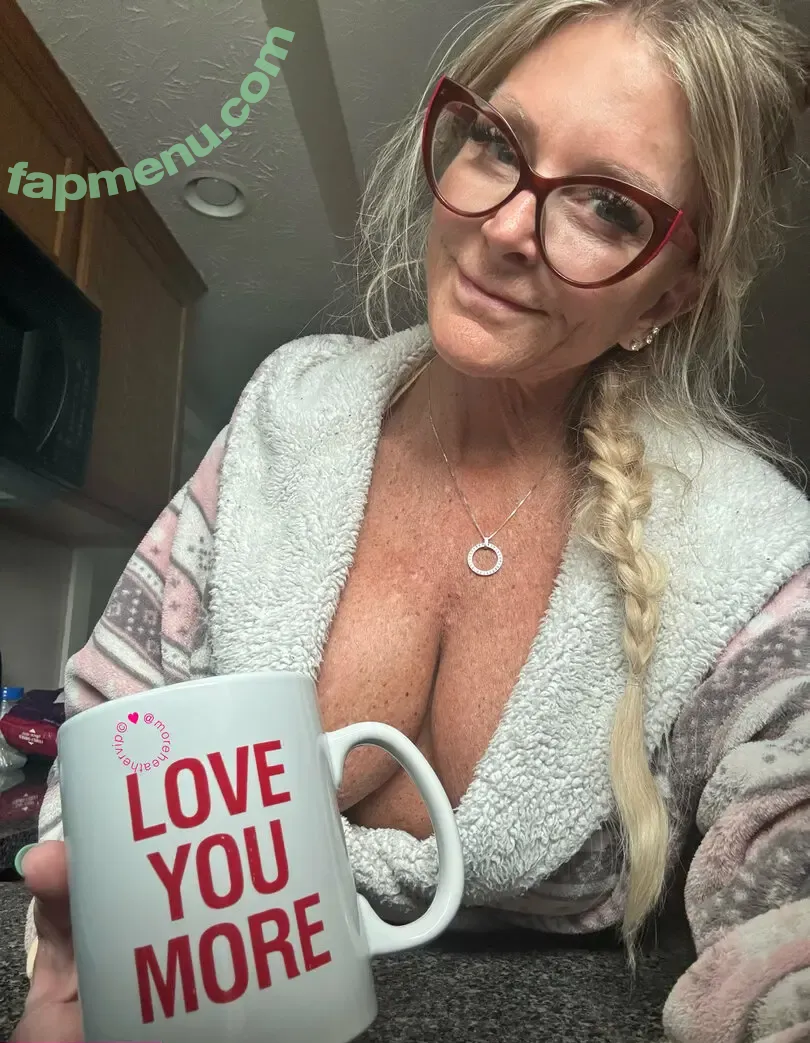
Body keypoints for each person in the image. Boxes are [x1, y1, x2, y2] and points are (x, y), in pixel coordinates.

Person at [13, 0, 810, 1040]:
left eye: (608, 207)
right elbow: (112, 727)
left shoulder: (748, 552)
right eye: (499, 143)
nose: (506, 228)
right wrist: (85, 968)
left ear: (667, 298)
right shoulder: (285, 416)